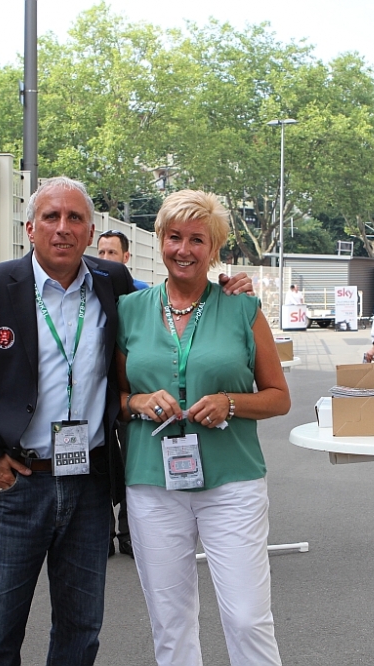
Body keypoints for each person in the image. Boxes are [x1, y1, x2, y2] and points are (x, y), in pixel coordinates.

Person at [0, 177, 251, 665]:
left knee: (80, 633)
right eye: (51, 217)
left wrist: (227, 287)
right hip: (15, 485)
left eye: (75, 218)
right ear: (30, 228)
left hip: (89, 486)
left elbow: (174, 298)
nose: (63, 228)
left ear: (90, 231)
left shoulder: (111, 282)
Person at [116, 189, 290, 666]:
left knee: (248, 618)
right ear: (160, 240)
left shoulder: (242, 308)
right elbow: (114, 397)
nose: (184, 249)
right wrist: (138, 401)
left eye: (197, 239)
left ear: (214, 248)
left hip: (232, 483)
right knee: (170, 622)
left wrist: (231, 402)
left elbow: (278, 396)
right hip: (152, 483)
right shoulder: (130, 309)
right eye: (174, 237)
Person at [96, 228, 145, 558]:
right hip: (97, 393)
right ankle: (104, 532)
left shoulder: (140, 294)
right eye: (100, 252)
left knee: (130, 462)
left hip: (129, 393)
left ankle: (128, 532)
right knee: (100, 463)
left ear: (126, 257)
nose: (105, 259)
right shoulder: (85, 289)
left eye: (111, 253)